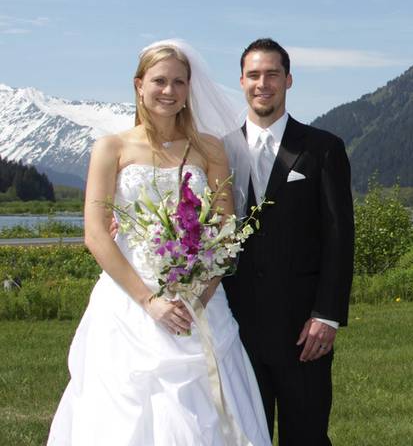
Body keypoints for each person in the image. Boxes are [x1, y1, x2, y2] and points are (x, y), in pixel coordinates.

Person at [48, 41, 271, 446]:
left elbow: (225, 230)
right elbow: (96, 233)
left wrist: (200, 296)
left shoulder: (209, 148)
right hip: (129, 301)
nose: (169, 91)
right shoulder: (111, 148)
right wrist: (149, 302)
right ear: (138, 85)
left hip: (199, 298)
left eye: (178, 82)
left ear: (190, 88)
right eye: (159, 81)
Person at [222, 38, 355, 446]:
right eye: (254, 75)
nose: (263, 83)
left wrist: (327, 315)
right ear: (241, 81)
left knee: (306, 436)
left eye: (273, 75)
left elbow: (340, 236)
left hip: (304, 329)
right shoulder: (220, 152)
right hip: (236, 327)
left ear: (288, 80)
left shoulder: (322, 148)